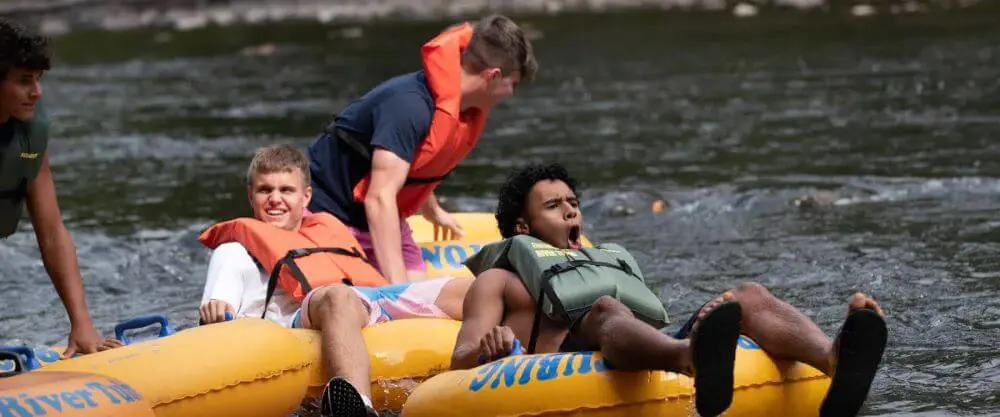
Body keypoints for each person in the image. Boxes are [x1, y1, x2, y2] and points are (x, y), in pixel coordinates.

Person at [452, 163, 888, 417]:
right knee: (605, 307)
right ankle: (688, 360)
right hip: (563, 362)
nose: (570, 211)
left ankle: (833, 359)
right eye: (554, 206)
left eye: (573, 203)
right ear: (524, 227)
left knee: (750, 295)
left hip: (635, 346)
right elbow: (461, 358)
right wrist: (491, 347)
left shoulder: (599, 261)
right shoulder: (500, 280)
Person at [197, 144, 472, 417]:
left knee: (462, 289)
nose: (275, 199)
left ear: (306, 197)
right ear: (251, 196)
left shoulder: (328, 228)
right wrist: (217, 311)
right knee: (337, 295)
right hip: (299, 318)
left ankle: (504, 362)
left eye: (286, 190)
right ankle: (355, 406)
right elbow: (220, 312)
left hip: (364, 301)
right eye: (265, 190)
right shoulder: (233, 252)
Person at [307, 14, 537, 284]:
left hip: (378, 221)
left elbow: (417, 163)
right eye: (514, 84)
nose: (511, 94)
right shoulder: (410, 107)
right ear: (493, 76)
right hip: (331, 215)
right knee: (402, 299)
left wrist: (432, 210)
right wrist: (399, 289)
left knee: (427, 301)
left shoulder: (460, 111)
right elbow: (379, 198)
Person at [0, 18, 118, 357]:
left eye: (38, 79)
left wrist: (81, 323)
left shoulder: (30, 132)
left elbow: (51, 231)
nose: (37, 92)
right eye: (24, 81)